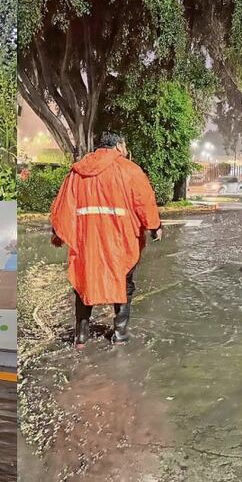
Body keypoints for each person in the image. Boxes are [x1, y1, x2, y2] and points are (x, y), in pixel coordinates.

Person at [50, 132, 163, 348]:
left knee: (84, 281)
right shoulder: (130, 170)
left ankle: (81, 336)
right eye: (125, 145)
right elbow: (144, 202)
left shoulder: (77, 172)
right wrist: (155, 227)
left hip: (87, 241)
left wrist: (57, 234)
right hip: (121, 240)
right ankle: (120, 333)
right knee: (123, 281)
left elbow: (64, 206)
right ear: (119, 145)